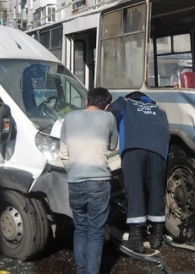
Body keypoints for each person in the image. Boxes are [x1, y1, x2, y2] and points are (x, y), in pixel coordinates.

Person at [60, 87, 119, 274]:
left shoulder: (69, 118)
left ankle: (81, 270)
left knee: (80, 229)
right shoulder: (109, 118)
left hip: (74, 182)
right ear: (107, 106)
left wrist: (75, 171)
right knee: (95, 232)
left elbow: (63, 154)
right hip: (99, 183)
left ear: (87, 101)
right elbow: (113, 146)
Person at [107, 91, 170, 253]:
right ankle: (156, 236)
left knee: (134, 190)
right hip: (158, 151)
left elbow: (108, 115)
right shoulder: (160, 110)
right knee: (156, 190)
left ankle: (135, 237)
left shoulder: (125, 102)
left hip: (134, 147)